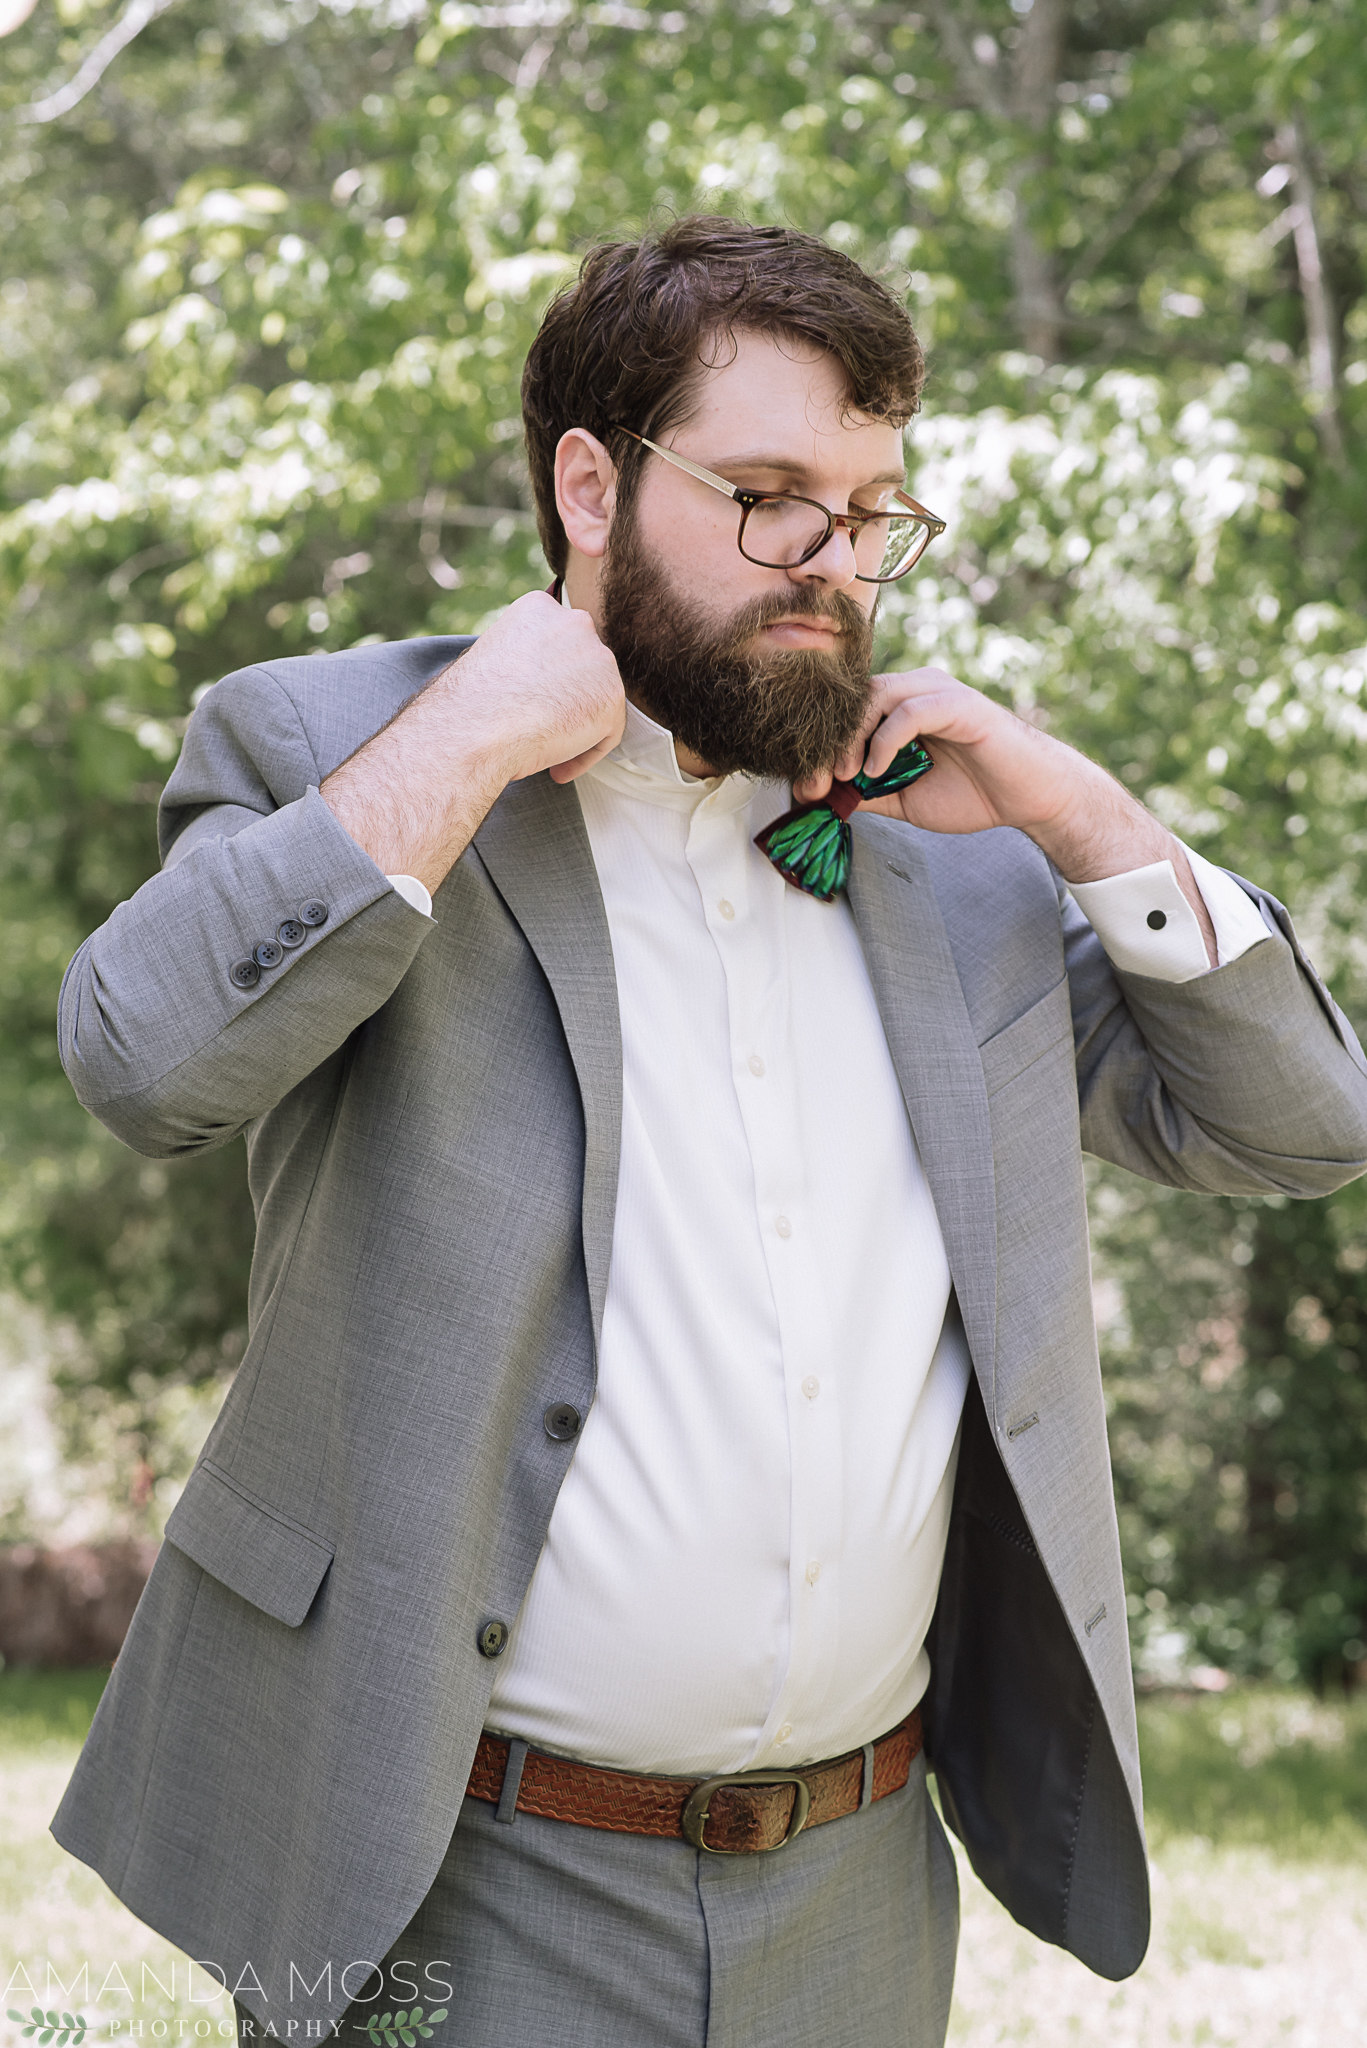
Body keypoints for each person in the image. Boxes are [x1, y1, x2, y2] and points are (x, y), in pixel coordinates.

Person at [51, 217, 1367, 2048]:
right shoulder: (340, 744)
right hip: (456, 1870)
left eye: (871, 507)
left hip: (858, 1878)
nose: (834, 561)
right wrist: (470, 737)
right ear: (590, 484)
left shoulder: (954, 848)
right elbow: (141, 1062)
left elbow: (1305, 1130)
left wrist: (1084, 817)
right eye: (767, 496)